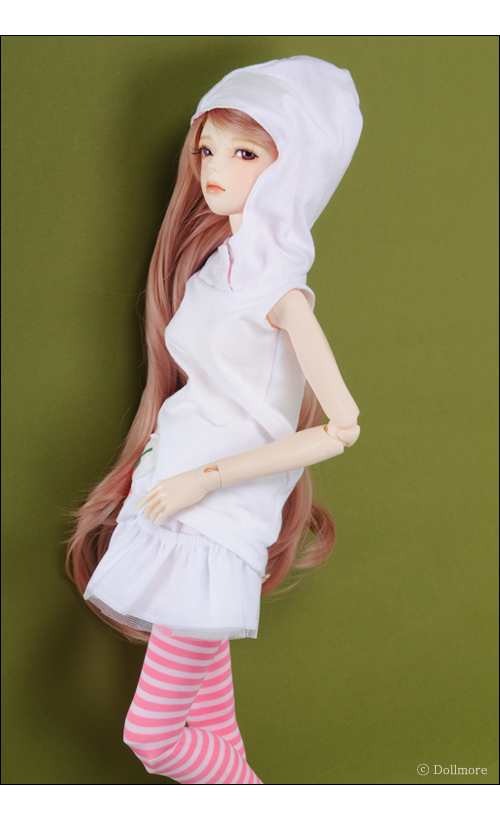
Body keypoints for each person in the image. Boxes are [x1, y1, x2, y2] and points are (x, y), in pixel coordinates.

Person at [67, 55, 363, 785]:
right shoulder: (211, 269)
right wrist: (163, 468)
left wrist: (207, 477)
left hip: (214, 523)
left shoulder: (282, 295)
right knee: (217, 726)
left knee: (155, 737)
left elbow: (342, 426)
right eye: (208, 148)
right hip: (168, 501)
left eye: (245, 153)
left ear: (293, 169)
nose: (215, 168)